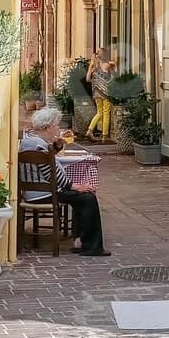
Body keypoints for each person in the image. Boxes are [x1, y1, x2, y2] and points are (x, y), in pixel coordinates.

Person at [20, 104, 110, 257]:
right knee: (87, 198)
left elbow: (45, 162)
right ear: (47, 127)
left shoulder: (30, 141)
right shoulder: (39, 145)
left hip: (33, 192)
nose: (57, 129)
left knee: (82, 197)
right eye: (56, 125)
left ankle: (80, 241)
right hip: (43, 194)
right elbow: (52, 175)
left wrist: (56, 147)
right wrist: (74, 186)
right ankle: (91, 246)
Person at [84, 47, 117, 143]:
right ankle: (104, 136)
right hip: (105, 93)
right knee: (106, 113)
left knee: (99, 112)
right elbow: (115, 74)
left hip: (96, 93)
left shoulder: (93, 66)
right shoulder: (107, 65)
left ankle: (90, 130)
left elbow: (88, 79)